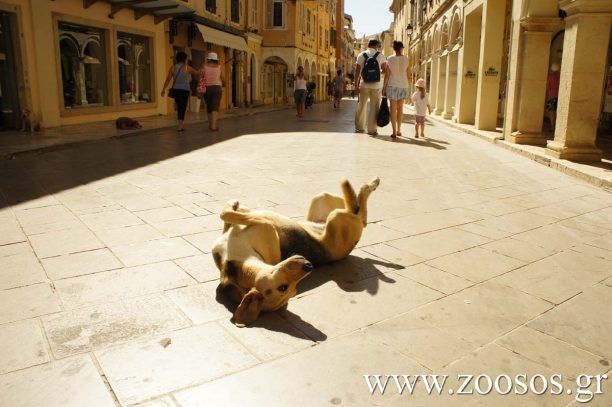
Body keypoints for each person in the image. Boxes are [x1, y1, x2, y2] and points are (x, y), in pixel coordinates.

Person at [355, 39, 388, 136]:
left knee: (361, 106)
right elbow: (385, 70)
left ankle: (359, 127)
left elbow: (357, 71)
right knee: (374, 108)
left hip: (364, 84)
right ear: (376, 46)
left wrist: (356, 85)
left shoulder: (361, 55)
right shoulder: (380, 55)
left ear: (368, 45)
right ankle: (372, 129)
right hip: (376, 86)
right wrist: (378, 74)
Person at [161, 51, 200, 132]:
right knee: (182, 107)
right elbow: (197, 73)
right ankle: (180, 126)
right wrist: (203, 70)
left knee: (179, 107)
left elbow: (168, 79)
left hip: (176, 90)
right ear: (184, 59)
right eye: (186, 58)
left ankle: (180, 125)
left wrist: (163, 89)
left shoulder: (173, 67)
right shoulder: (187, 67)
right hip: (185, 90)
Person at [383, 41, 410, 138]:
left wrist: (384, 88)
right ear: (401, 48)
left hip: (392, 85)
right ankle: (399, 130)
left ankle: (394, 131)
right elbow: (409, 74)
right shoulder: (406, 59)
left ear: (394, 49)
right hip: (403, 85)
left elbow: (387, 76)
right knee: (400, 109)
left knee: (393, 110)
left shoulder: (389, 59)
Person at [200, 52, 225, 131]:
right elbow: (223, 78)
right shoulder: (219, 67)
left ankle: (210, 124)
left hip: (207, 89)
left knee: (209, 107)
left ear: (209, 59)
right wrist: (224, 84)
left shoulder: (204, 67)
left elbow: (200, 78)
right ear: (215, 59)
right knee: (215, 107)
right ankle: (213, 126)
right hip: (217, 88)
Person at [546, 62, 561, 133]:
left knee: (551, 111)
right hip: (559, 95)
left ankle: (552, 126)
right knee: (558, 111)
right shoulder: (560, 76)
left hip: (551, 95)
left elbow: (548, 87)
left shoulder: (550, 76)